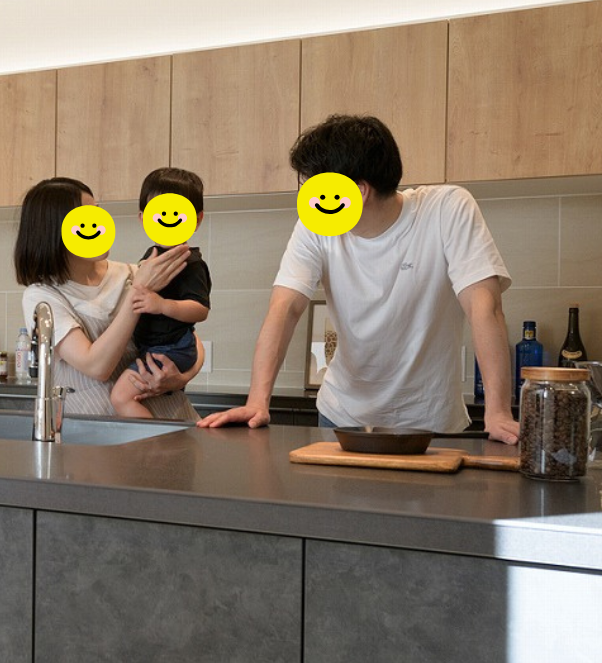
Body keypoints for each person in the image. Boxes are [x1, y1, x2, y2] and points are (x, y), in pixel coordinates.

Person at [198, 114, 519, 442]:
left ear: (359, 191)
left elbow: (484, 307)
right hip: (340, 417)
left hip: (431, 423)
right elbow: (285, 308)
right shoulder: (316, 228)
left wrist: (497, 412)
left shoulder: (447, 209)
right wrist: (257, 401)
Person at [14, 177, 203, 421]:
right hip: (97, 433)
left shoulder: (133, 273)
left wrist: (181, 378)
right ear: (54, 230)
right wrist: (139, 291)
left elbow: (189, 338)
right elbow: (96, 367)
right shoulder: (42, 297)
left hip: (172, 419)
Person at [111, 168, 211, 419]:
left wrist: (162, 305)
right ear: (143, 218)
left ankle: (155, 443)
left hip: (172, 349)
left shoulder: (191, 263)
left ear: (197, 219)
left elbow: (200, 310)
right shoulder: (150, 257)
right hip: (154, 347)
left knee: (121, 397)